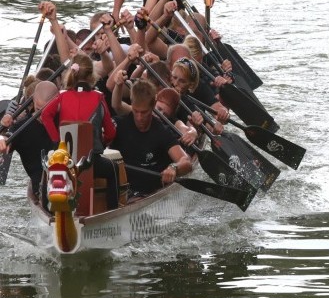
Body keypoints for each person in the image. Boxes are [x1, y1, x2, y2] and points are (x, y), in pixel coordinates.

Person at [39, 52, 119, 208]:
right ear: (91, 75)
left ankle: (45, 209)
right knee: (113, 169)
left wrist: (56, 141)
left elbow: (45, 115)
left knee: (47, 166)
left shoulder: (61, 97)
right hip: (91, 162)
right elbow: (111, 133)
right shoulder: (99, 98)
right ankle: (112, 210)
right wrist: (101, 142)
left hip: (65, 161)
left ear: (72, 73)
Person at [109, 79, 191, 196]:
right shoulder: (118, 124)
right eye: (136, 111)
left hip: (149, 193)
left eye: (144, 112)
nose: (139, 117)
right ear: (131, 103)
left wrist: (174, 167)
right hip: (122, 193)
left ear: (153, 106)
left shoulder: (162, 131)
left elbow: (186, 162)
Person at [0, 80, 58, 197]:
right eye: (38, 110)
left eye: (48, 110)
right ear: (33, 101)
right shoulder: (21, 127)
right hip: (42, 189)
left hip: (70, 179)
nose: (43, 116)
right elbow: (7, 140)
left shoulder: (66, 117)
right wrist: (2, 136)